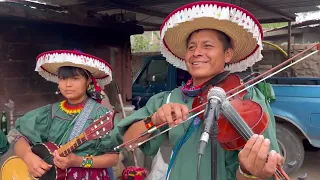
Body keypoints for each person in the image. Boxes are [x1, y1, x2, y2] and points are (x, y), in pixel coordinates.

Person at [117, 1, 285, 180]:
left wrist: (248, 172)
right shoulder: (169, 99)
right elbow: (128, 142)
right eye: (191, 47)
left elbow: (265, 171)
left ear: (227, 54)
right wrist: (154, 120)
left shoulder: (247, 99)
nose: (196, 52)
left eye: (207, 46)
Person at [12, 50, 120, 180]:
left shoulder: (101, 114)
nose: (68, 84)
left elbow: (113, 158)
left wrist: (78, 161)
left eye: (75, 78)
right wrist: (28, 157)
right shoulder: (50, 112)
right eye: (63, 78)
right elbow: (19, 138)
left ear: (88, 81)